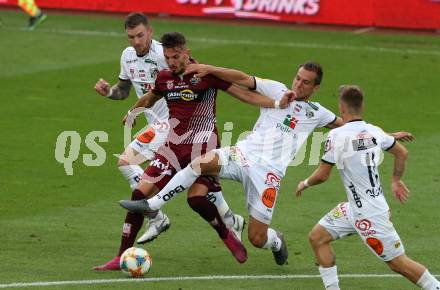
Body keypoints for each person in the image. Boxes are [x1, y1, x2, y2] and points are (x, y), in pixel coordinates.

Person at [120, 62, 414, 265]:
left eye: (306, 82)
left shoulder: (318, 112)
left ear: (316, 87)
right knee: (199, 163)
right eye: (297, 78)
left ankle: (277, 242)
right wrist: (209, 69)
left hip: (269, 174)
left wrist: (387, 135)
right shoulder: (276, 90)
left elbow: (350, 127)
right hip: (243, 154)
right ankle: (154, 204)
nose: (298, 84)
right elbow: (243, 78)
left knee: (257, 237)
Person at [116, 31, 294, 265]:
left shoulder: (204, 75)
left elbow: (244, 95)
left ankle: (227, 235)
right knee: (138, 193)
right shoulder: (164, 77)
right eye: (168, 57)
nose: (172, 62)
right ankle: (120, 257)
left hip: (203, 149)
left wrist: (276, 103)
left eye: (176, 56)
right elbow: (150, 97)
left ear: (186, 53)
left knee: (196, 200)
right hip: (172, 147)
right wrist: (133, 111)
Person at [93, 15, 244, 270]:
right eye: (131, 37)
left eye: (140, 35)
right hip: (157, 124)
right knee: (182, 184)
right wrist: (110, 93)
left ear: (150, 32)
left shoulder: (166, 54)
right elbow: (124, 90)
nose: (137, 41)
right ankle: (228, 219)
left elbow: (198, 75)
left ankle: (157, 215)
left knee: (128, 163)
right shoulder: (127, 55)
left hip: (171, 126)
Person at [295, 85, 439, 290]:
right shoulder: (374, 131)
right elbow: (402, 153)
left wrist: (305, 183)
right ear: (360, 106)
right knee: (318, 237)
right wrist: (396, 180)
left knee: (399, 264)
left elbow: (322, 175)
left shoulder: (335, 136)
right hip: (354, 208)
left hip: (370, 215)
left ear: (341, 107)